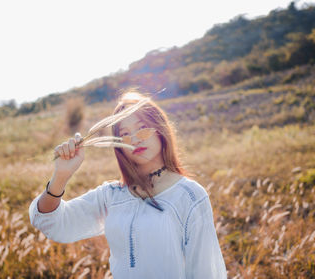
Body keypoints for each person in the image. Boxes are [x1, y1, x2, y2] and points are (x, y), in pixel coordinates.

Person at [29, 91, 227, 278]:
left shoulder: (189, 196)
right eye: (124, 134)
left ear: (160, 130)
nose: (133, 139)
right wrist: (61, 175)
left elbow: (207, 271)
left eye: (142, 129)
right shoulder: (112, 195)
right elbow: (51, 223)